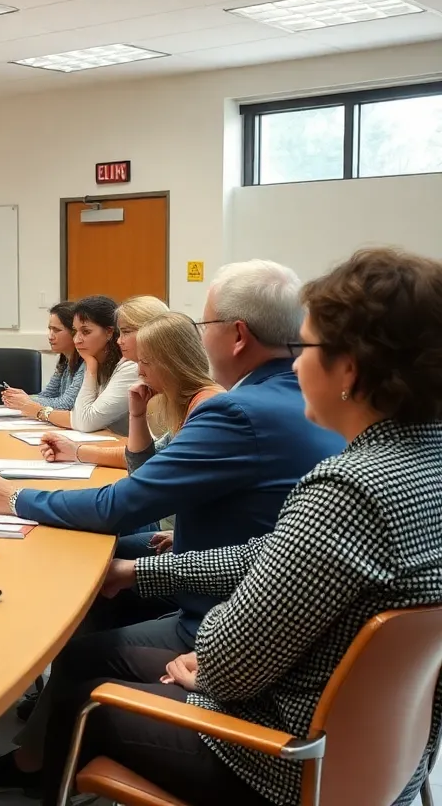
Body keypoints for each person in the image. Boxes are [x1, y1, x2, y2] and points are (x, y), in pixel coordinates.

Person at [46, 248, 442, 806]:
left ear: (349, 368)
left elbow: (233, 663)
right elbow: (276, 554)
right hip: (388, 763)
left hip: (285, 758)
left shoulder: (349, 489)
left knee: (87, 695)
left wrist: (207, 658)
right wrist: (143, 573)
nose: (294, 365)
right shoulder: (423, 464)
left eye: (304, 348)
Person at [0, 260, 346, 795]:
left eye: (205, 325)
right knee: (109, 581)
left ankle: (45, 768)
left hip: (230, 630)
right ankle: (43, 742)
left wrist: (14, 499)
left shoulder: (237, 412)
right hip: (328, 698)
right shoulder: (307, 404)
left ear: (237, 336)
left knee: (82, 652)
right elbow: (272, 540)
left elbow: (122, 505)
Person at [42, 312, 223, 554]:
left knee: (89, 549)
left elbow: (143, 492)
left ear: (170, 362)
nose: (139, 372)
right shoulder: (188, 402)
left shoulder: (207, 407)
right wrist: (137, 415)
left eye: (144, 362)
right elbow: (144, 470)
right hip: (175, 527)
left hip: (190, 542)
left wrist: (17, 499)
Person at [25, 295, 142, 434]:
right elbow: (78, 413)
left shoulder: (129, 367)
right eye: (75, 331)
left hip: (123, 443)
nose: (77, 340)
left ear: (109, 332)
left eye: (86, 332)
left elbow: (85, 421)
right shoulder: (95, 360)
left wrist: (39, 411)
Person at [0, 301, 84, 415]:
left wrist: (26, 401)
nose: (50, 336)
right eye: (50, 329)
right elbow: (47, 395)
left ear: (74, 332)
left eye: (57, 330)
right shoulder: (64, 361)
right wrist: (20, 397)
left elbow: (66, 404)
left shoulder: (85, 365)